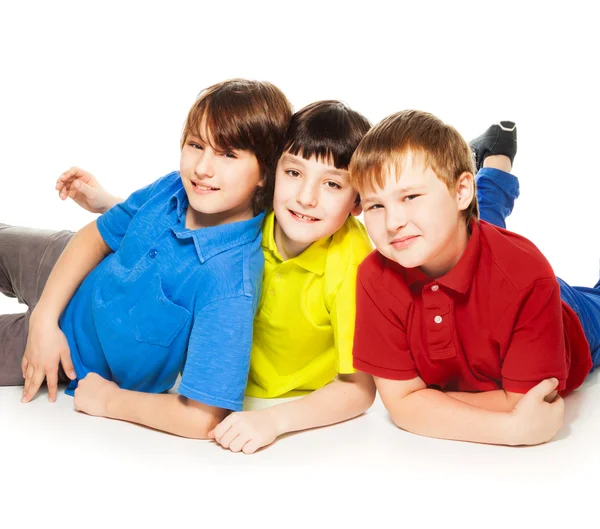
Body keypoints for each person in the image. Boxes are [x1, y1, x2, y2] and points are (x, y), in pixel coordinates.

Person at [56, 100, 377, 453]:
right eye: (294, 173)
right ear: (271, 175)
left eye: (332, 185)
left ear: (358, 202)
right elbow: (188, 220)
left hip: (269, 401)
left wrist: (274, 421)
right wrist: (110, 204)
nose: (305, 198)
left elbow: (359, 388)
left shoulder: (352, 265)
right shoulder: (264, 212)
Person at [0, 79, 293, 439]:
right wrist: (45, 315)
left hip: (67, 355)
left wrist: (110, 401)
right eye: (196, 145)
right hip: (63, 264)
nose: (202, 168)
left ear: (265, 173)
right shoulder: (172, 186)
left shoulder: (230, 282)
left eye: (228, 154)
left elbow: (203, 418)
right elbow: (95, 236)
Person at [348, 111, 598, 446]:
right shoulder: (375, 274)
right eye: (375, 206)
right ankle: (495, 161)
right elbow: (401, 404)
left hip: (568, 312)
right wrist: (511, 429)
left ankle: (491, 167)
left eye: (410, 196)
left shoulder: (524, 276)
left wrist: (422, 401)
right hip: (475, 253)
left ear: (462, 189)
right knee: (471, 223)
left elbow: (524, 404)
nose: (392, 222)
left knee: (480, 236)